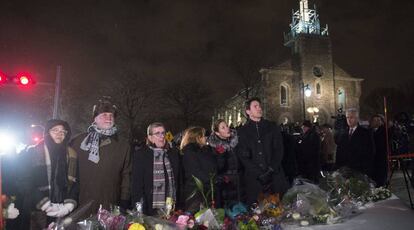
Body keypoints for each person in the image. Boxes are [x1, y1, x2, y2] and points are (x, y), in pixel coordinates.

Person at [71, 97, 131, 218]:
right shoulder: (78, 141)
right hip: (81, 202)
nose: (108, 118)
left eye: (111, 115)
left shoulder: (123, 144)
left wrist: (124, 199)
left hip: (109, 201)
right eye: (104, 114)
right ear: (95, 118)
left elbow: (127, 174)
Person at [19, 119, 78, 229]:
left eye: (63, 131)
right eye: (55, 130)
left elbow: (75, 182)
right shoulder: (33, 152)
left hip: (62, 209)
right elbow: (24, 180)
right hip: (37, 208)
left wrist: (69, 206)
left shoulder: (72, 154)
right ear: (47, 132)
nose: (59, 134)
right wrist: (44, 204)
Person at [237, 97, 289, 205]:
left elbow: (279, 149)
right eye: (255, 106)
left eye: (259, 106)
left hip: (274, 176)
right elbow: (243, 156)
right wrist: (259, 173)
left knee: (278, 209)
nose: (259, 108)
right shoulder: (242, 131)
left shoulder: (272, 127)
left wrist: (271, 169)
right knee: (257, 212)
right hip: (254, 179)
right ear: (248, 111)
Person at [131, 122, 180, 215]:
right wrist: (139, 209)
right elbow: (137, 185)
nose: (161, 136)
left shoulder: (173, 154)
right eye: (157, 133)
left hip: (171, 206)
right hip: (149, 207)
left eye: (163, 133)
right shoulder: (141, 155)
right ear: (150, 137)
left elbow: (178, 180)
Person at [181, 127, 217, 212]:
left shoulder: (205, 150)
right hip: (196, 191)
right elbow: (196, 172)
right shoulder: (190, 152)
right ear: (198, 138)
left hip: (207, 189)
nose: (206, 138)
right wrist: (212, 180)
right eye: (204, 136)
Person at [207, 119, 240, 208]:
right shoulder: (213, 148)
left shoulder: (235, 143)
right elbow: (216, 168)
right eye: (223, 128)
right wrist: (221, 155)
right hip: (225, 186)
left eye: (227, 126)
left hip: (239, 184)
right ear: (217, 133)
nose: (227, 129)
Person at [335, 108, 375, 178]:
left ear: (357, 119)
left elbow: (370, 152)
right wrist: (339, 167)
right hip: (345, 170)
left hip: (359, 169)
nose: (349, 120)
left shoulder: (365, 133)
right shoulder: (343, 133)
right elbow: (339, 150)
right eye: (347, 117)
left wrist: (366, 169)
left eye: (351, 117)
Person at [370, 115, 388, 187]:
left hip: (381, 157)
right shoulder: (369, 131)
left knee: (381, 177)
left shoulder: (384, 131)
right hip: (372, 159)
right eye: (375, 120)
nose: (376, 122)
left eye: (378, 120)